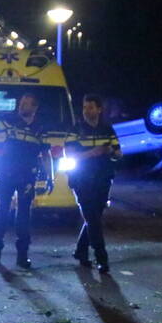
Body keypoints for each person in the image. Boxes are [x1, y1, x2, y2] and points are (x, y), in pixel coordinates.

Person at [0, 91, 50, 269]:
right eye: (21, 102)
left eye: (27, 103)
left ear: (35, 107)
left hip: (27, 176)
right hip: (5, 173)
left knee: (23, 217)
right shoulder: (9, 121)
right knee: (1, 214)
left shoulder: (40, 129)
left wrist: (50, 176)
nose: (22, 106)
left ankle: (22, 257)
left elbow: (45, 153)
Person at [65, 94, 121, 273]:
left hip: (103, 179)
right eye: (85, 107)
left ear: (99, 109)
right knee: (93, 219)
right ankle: (102, 258)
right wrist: (93, 153)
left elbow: (118, 153)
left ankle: (81, 252)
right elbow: (70, 155)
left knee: (93, 217)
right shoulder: (76, 130)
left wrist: (111, 151)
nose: (87, 110)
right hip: (81, 180)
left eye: (90, 107)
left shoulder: (107, 129)